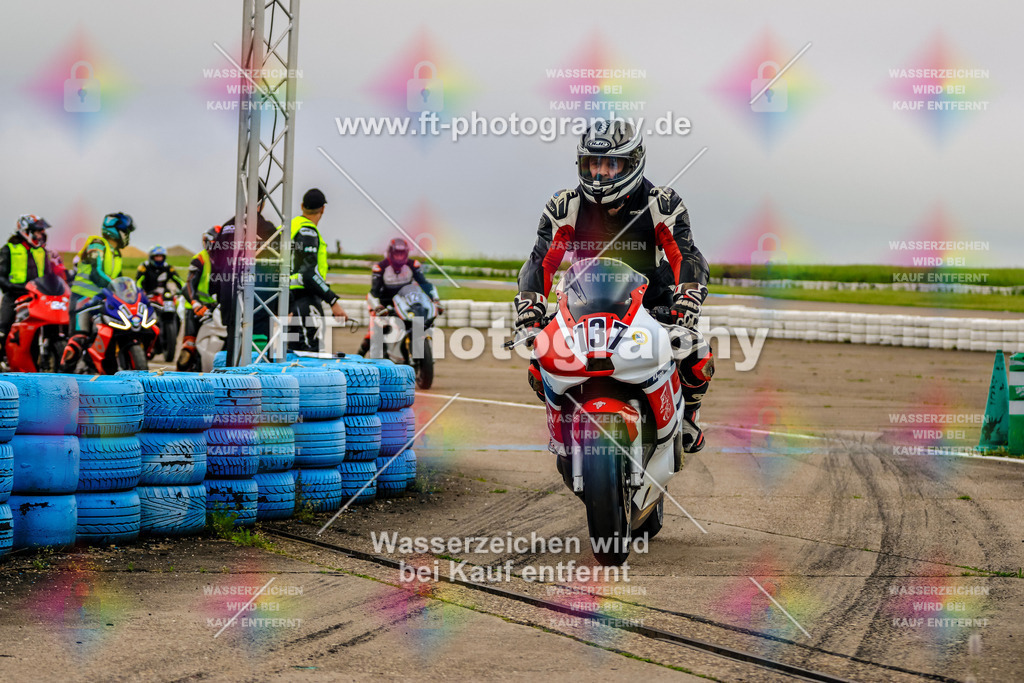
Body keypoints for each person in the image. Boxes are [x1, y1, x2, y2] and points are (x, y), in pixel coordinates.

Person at [514, 119, 713, 452]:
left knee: (696, 355)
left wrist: (687, 296)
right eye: (593, 163)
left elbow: (686, 255)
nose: (600, 173)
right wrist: (530, 305)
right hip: (582, 307)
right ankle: (565, 424)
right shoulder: (566, 207)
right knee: (538, 361)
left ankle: (687, 415)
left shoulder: (660, 202)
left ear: (632, 162)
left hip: (649, 306)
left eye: (611, 163)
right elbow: (540, 261)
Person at [60, 212, 135, 372]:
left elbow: (119, 279)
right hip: (83, 299)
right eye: (125, 231)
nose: (127, 235)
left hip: (104, 301)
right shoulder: (97, 244)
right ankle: (62, 381)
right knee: (77, 341)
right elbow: (97, 273)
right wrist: (116, 287)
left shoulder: (117, 254)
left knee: (111, 337)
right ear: (114, 231)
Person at [357, 237, 442, 356]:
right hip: (384, 304)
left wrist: (435, 299)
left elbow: (425, 285)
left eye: (402, 254)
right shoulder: (380, 267)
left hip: (404, 302)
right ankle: (361, 356)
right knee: (376, 333)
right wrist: (378, 307)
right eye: (397, 254)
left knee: (422, 320)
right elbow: (373, 292)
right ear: (391, 253)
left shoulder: (413, 265)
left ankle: (418, 350)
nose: (399, 257)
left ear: (406, 254)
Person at [287, 188, 347, 352]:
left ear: (302, 206)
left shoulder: (289, 226)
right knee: (310, 353)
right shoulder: (308, 231)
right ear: (323, 209)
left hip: (286, 300)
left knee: (290, 352)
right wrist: (332, 300)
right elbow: (308, 273)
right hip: (305, 299)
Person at [0, 215, 52, 362]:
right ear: (26, 231)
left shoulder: (41, 251)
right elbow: (1, 276)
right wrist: (13, 287)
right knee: (3, 329)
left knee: (46, 328)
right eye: (38, 231)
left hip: (37, 298)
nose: (42, 234)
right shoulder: (9, 249)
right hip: (14, 297)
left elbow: (49, 276)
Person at [176, 227, 221, 371]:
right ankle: (180, 379)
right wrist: (195, 304)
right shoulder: (200, 259)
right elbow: (189, 284)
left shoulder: (226, 260)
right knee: (190, 347)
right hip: (196, 308)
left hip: (216, 308)